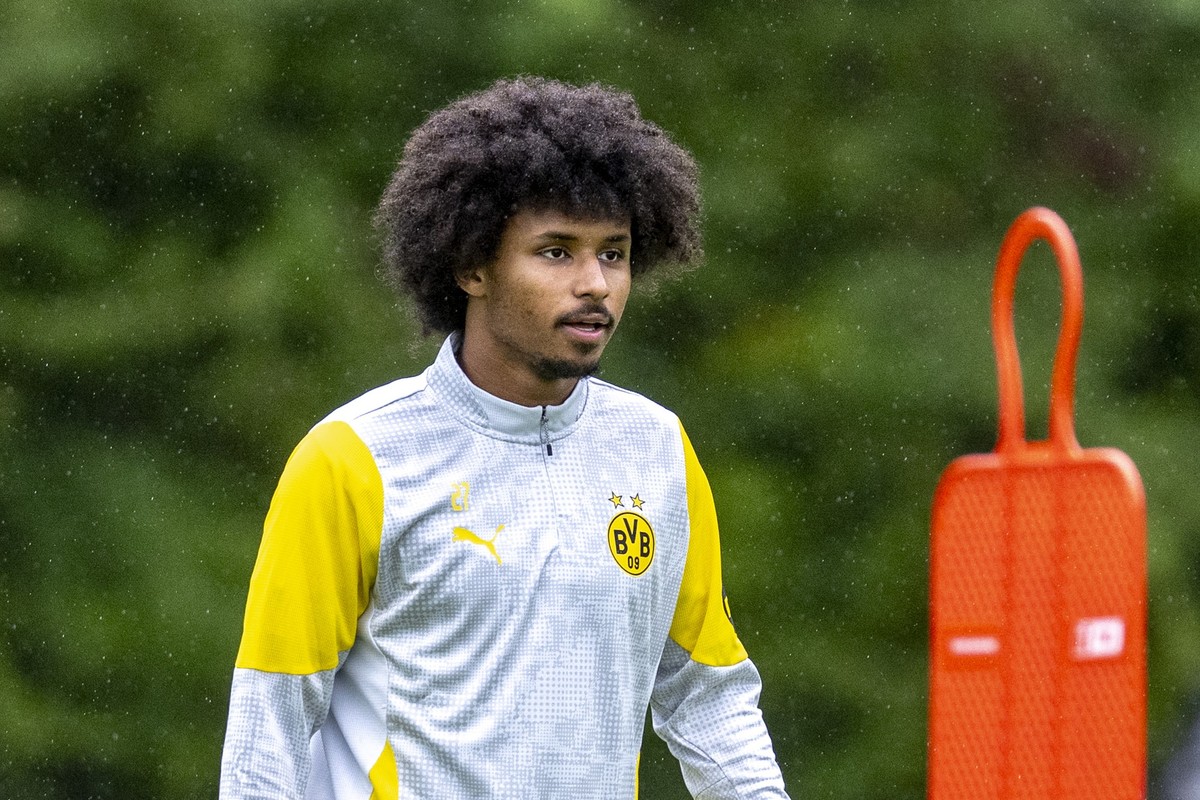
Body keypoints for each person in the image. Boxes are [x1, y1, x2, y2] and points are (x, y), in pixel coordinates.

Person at [219, 76, 790, 800]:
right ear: (471, 265)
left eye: (613, 253)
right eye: (556, 252)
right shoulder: (352, 458)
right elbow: (267, 728)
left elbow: (709, 698)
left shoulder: (657, 450)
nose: (595, 284)